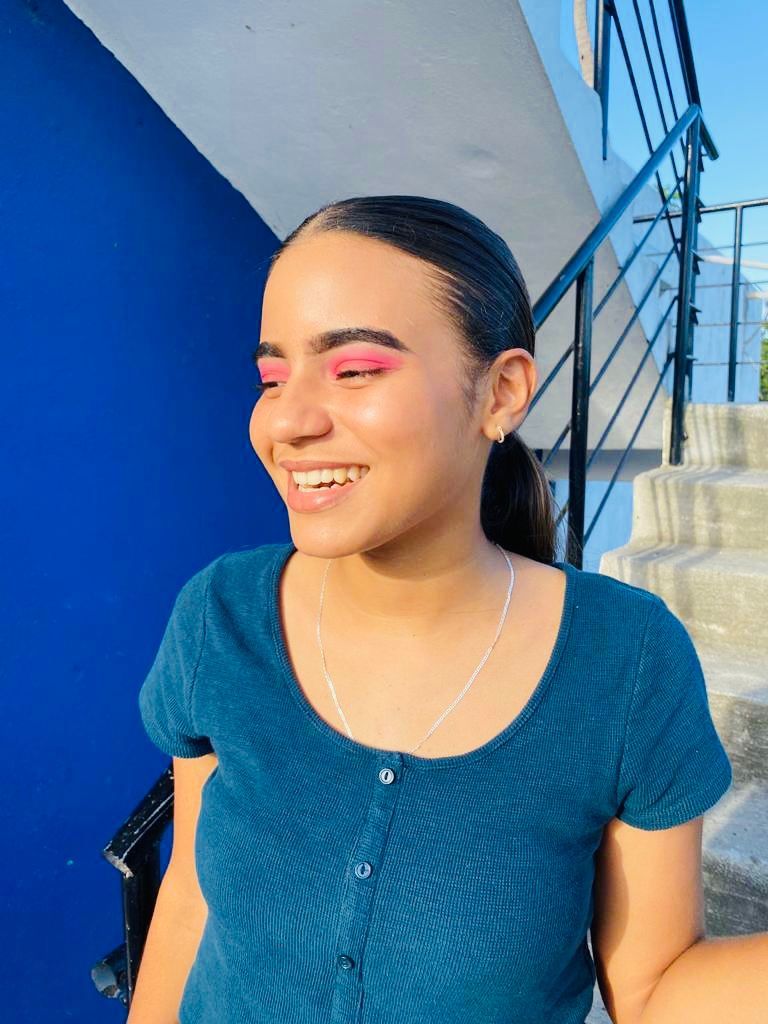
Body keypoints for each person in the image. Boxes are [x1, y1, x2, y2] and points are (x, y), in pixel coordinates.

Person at [130, 196, 733, 1024]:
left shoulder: (624, 663)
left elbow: (658, 988)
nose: (288, 422)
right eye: (272, 378)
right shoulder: (220, 620)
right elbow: (194, 903)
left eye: (354, 370)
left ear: (503, 392)